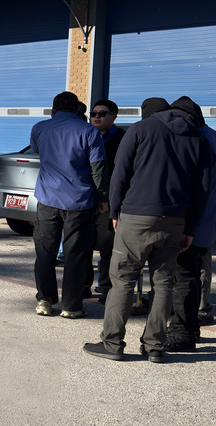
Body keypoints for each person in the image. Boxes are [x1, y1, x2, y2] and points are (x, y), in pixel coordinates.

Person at [83, 97, 211, 363]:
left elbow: (120, 173)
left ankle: (112, 343)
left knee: (123, 280)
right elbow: (202, 190)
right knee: (163, 284)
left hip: (137, 216)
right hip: (175, 220)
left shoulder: (141, 130)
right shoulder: (199, 140)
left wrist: (115, 212)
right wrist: (191, 228)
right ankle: (155, 345)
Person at [29, 91, 107, 319]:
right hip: (79, 201)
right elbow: (98, 169)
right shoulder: (89, 131)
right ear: (77, 110)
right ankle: (71, 306)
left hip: (47, 198)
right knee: (76, 254)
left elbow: (37, 150)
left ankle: (45, 299)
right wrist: (102, 197)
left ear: (53, 110)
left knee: (45, 251)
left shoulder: (39, 128)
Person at [165, 96, 216, 352]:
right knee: (194, 276)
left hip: (191, 224)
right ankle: (192, 326)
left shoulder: (196, 139)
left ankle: (182, 334)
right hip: (207, 221)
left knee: (184, 279)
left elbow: (191, 185)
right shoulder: (215, 137)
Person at [87, 99, 125, 303]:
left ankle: (106, 287)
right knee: (82, 244)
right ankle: (83, 286)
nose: (96, 117)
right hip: (83, 198)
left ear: (114, 116)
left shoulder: (122, 139)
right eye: (93, 113)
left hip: (109, 200)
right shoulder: (85, 134)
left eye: (101, 114)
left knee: (107, 245)